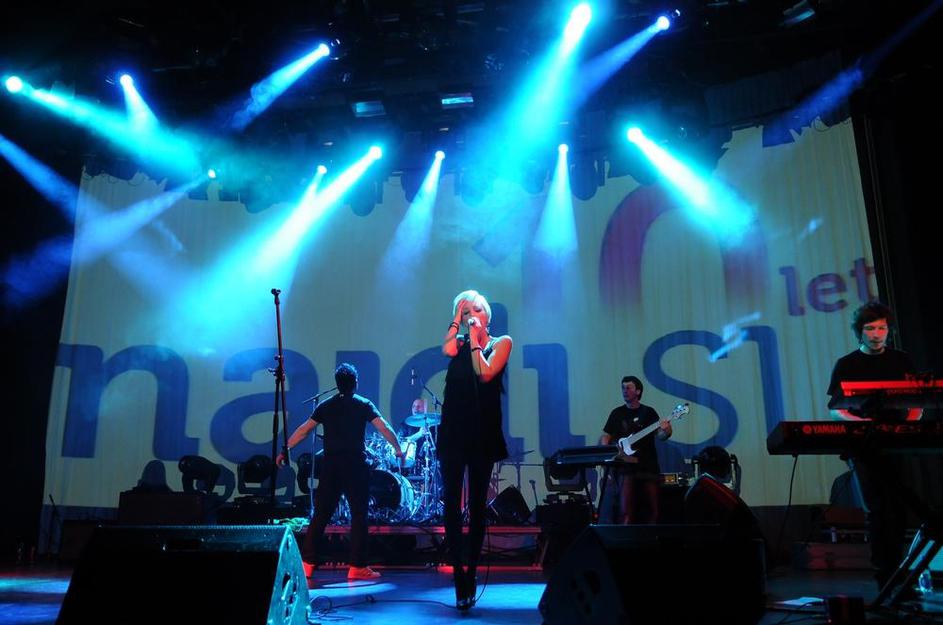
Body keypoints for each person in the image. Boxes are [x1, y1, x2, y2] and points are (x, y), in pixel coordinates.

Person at [827, 301, 922, 593]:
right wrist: (865, 425)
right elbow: (836, 409)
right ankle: (884, 577)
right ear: (860, 331)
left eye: (882, 328)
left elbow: (917, 403)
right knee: (878, 510)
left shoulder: (902, 361)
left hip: (898, 444)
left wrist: (906, 429)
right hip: (864, 445)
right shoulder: (847, 364)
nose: (877, 334)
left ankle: (901, 575)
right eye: (870, 328)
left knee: (900, 509)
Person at [276, 363, 403, 581]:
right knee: (359, 515)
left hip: (331, 466)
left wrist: (285, 449)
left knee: (321, 514)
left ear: (337, 384)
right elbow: (383, 427)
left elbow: (304, 430)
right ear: (355, 383)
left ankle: (307, 563)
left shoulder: (326, 406)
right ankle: (357, 566)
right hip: (355, 466)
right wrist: (397, 448)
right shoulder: (364, 404)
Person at [438, 289, 512, 610]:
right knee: (452, 505)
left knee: (478, 506)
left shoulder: (501, 343)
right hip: (453, 432)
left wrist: (475, 339)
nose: (471, 316)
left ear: (487, 315)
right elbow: (446, 349)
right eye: (466, 311)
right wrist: (458, 317)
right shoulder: (457, 345)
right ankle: (458, 574)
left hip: (482, 432)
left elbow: (485, 373)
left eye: (476, 310)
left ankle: (471, 570)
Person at [599, 376, 672, 524]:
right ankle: (626, 537)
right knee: (626, 510)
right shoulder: (617, 413)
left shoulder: (648, 412)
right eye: (623, 387)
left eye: (628, 388)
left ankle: (651, 536)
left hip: (648, 466)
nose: (624, 391)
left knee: (653, 510)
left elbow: (661, 436)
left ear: (638, 391)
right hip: (625, 468)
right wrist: (608, 451)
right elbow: (606, 435)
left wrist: (667, 430)